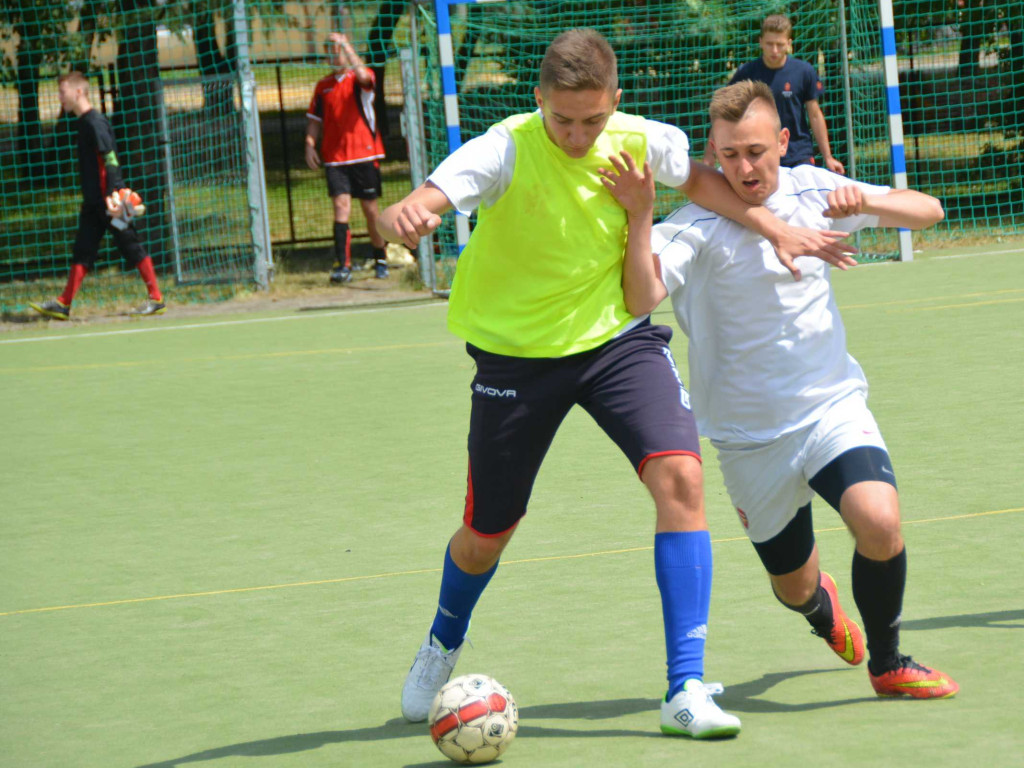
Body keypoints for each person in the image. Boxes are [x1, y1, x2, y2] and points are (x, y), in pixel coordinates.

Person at [378, 29, 855, 738]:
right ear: (538, 99)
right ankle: (442, 642)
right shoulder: (505, 146)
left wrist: (772, 228)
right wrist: (405, 212)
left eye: (592, 120)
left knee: (681, 479)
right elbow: (433, 193)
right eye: (563, 119)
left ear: (615, 103)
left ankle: (684, 688)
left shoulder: (639, 139)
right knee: (487, 532)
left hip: (615, 342)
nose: (576, 135)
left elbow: (699, 182)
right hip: (515, 359)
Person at [607, 79, 957, 699]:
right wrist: (639, 217)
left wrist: (863, 205)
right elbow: (640, 297)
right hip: (749, 442)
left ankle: (889, 662)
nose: (746, 167)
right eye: (730, 155)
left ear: (784, 142)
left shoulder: (814, 189)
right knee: (793, 586)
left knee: (878, 520)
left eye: (758, 151)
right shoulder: (693, 228)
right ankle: (821, 609)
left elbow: (928, 209)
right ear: (712, 157)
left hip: (831, 409)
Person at [29, 71, 165, 321]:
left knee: (130, 244)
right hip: (94, 204)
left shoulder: (95, 122)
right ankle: (63, 304)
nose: (60, 97)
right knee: (83, 250)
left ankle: (156, 299)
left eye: (62, 91)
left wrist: (113, 197)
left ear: (78, 91)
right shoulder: (82, 123)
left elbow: (110, 159)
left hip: (109, 203)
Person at [702, 15, 845, 174]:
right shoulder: (747, 73)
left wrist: (828, 157)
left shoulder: (804, 71)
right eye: (770, 44)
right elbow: (723, 113)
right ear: (761, 42)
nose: (775, 50)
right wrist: (709, 155)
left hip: (799, 155)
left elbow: (815, 115)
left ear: (789, 44)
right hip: (758, 156)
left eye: (780, 44)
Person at [305, 32, 389, 283]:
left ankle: (380, 257)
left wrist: (346, 44)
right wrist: (310, 144)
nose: (334, 54)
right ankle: (343, 266)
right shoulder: (323, 87)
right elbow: (314, 122)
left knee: (370, 210)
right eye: (330, 50)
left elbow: (365, 76)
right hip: (335, 159)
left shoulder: (359, 80)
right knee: (341, 208)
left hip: (364, 154)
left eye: (338, 49)